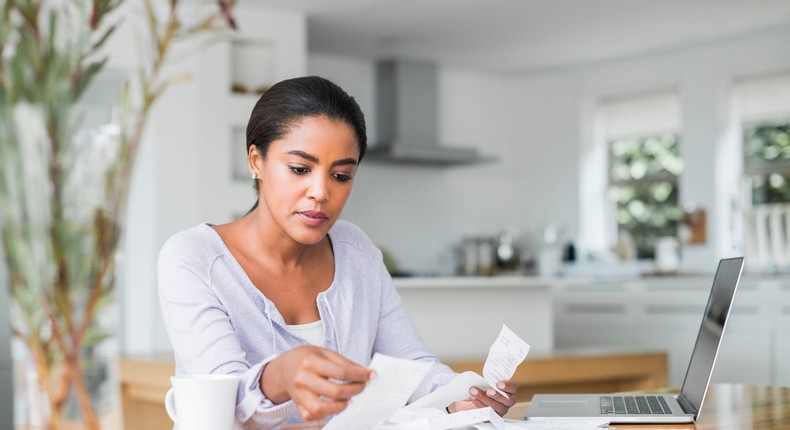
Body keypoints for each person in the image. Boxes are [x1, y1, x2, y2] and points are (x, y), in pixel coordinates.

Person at [157, 76, 517, 428]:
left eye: (341, 175)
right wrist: (277, 376)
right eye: (300, 169)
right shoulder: (194, 259)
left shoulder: (354, 249)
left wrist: (465, 397)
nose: (321, 192)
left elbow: (412, 366)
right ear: (256, 161)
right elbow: (221, 405)